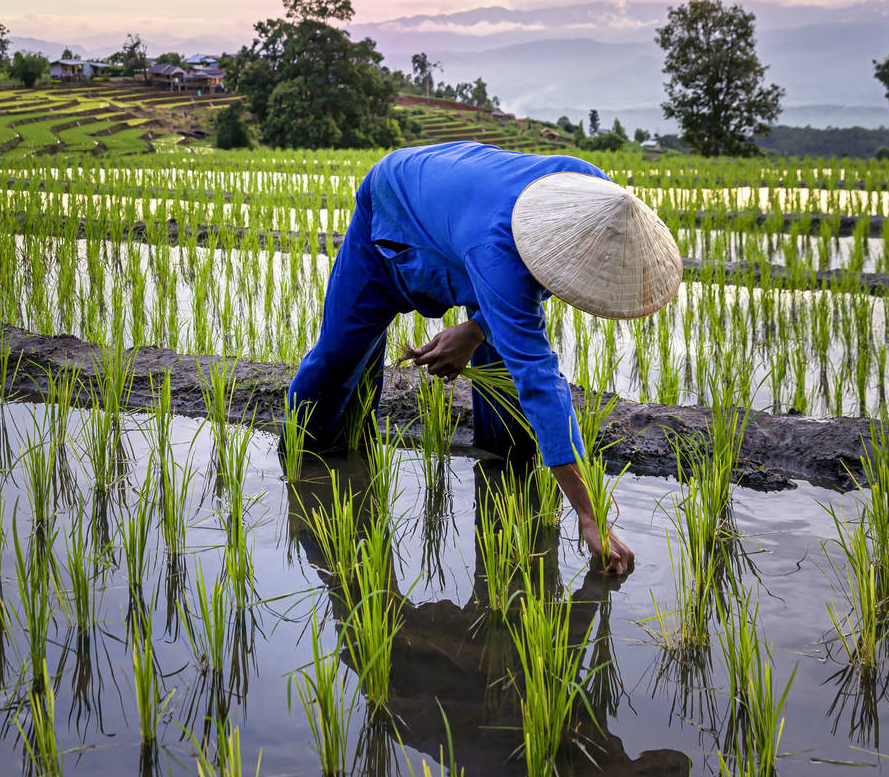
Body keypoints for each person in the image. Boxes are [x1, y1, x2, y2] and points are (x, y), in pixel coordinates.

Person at [287, 141, 681, 574]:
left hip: (470, 221)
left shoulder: (593, 195)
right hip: (397, 202)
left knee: (503, 371)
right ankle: (307, 460)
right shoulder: (496, 253)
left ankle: (505, 465)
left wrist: (474, 330)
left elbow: (530, 288)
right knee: (340, 360)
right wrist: (591, 517)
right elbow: (540, 382)